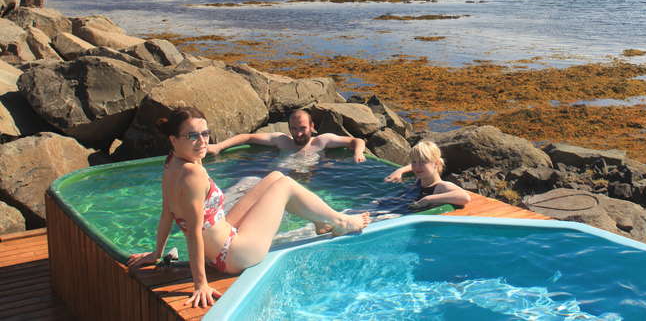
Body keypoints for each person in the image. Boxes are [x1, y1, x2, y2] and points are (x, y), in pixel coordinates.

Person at [126, 106, 370, 308]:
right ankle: (340, 221)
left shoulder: (171, 164)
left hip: (221, 244)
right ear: (173, 139)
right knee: (285, 185)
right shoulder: (193, 174)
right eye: (192, 136)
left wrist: (157, 253)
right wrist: (201, 283)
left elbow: (167, 211)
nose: (202, 142)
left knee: (274, 176)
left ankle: (319, 220)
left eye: (205, 134)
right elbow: (193, 231)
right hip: (232, 255)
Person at [206, 109, 367, 163]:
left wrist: (358, 152)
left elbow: (356, 141)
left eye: (303, 128)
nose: (298, 133)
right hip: (275, 178)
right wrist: (219, 147)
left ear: (312, 127)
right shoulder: (282, 140)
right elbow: (247, 138)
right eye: (294, 128)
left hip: (304, 183)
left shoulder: (322, 141)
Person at [384, 140, 471, 209]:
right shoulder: (420, 179)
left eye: (423, 162)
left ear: (436, 163)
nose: (417, 167)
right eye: (414, 162)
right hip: (396, 204)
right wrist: (400, 170)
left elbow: (464, 197)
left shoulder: (441, 186)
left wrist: (428, 199)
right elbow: (414, 166)